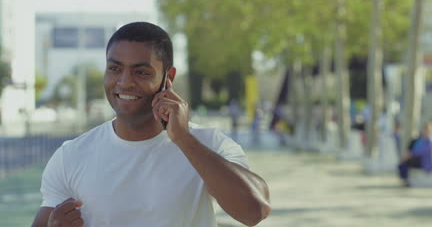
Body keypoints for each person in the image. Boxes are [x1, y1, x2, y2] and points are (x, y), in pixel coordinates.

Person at [32, 22, 271, 227]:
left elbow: (255, 212)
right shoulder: (71, 156)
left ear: (169, 78)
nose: (124, 83)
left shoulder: (208, 144)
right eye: (115, 68)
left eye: (141, 72)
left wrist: (184, 139)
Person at [397, 122, 432, 187]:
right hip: (420, 159)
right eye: (424, 129)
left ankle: (405, 180)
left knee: (405, 163)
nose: (424, 131)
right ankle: (405, 179)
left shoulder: (430, 140)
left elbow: (422, 152)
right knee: (404, 162)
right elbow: (416, 149)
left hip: (424, 162)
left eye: (426, 129)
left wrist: (410, 155)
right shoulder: (423, 139)